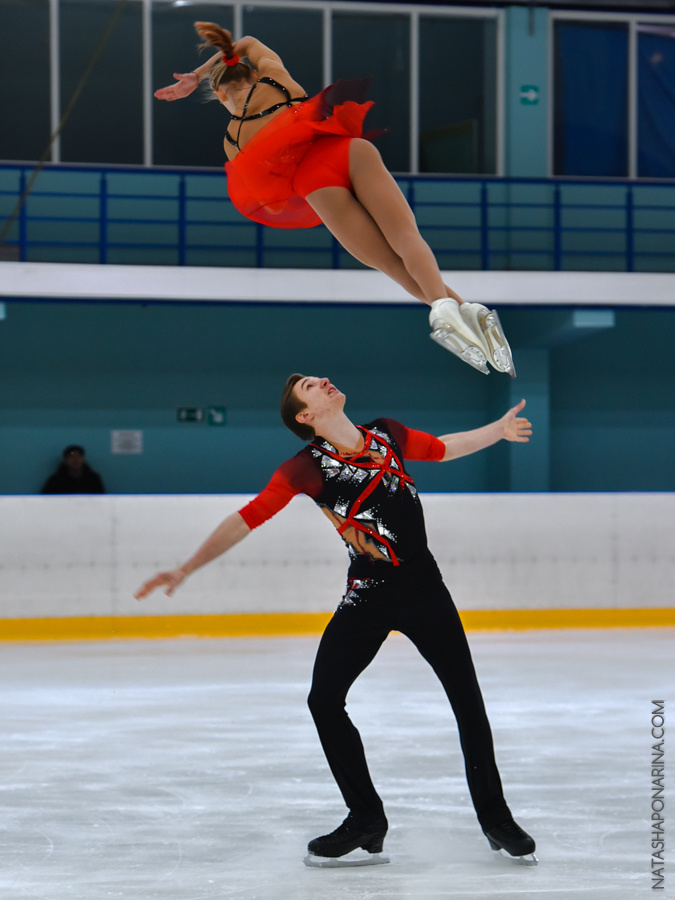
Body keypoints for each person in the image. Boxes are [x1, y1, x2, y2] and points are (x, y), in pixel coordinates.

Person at [135, 373, 537, 868]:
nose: (323, 381)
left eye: (318, 378)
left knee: (467, 700)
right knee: (324, 700)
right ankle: (366, 818)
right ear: (305, 417)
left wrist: (497, 430)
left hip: (425, 589)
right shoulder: (304, 468)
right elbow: (248, 517)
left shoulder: (386, 433)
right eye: (309, 386)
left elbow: (443, 448)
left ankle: (496, 819)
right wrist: (187, 567)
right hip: (368, 594)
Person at [154, 23, 515, 377]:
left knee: (390, 265)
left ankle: (445, 310)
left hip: (317, 185)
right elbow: (246, 41)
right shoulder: (276, 79)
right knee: (406, 238)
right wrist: (198, 73)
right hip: (351, 153)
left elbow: (272, 198)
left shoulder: (233, 142)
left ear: (219, 97)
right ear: (252, 73)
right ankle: (462, 310)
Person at [41, 444, 106, 495]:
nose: (75, 460)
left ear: (83, 459)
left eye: (78, 456)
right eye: (71, 457)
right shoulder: (55, 481)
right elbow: (45, 499)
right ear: (65, 461)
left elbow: (102, 498)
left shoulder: (93, 479)